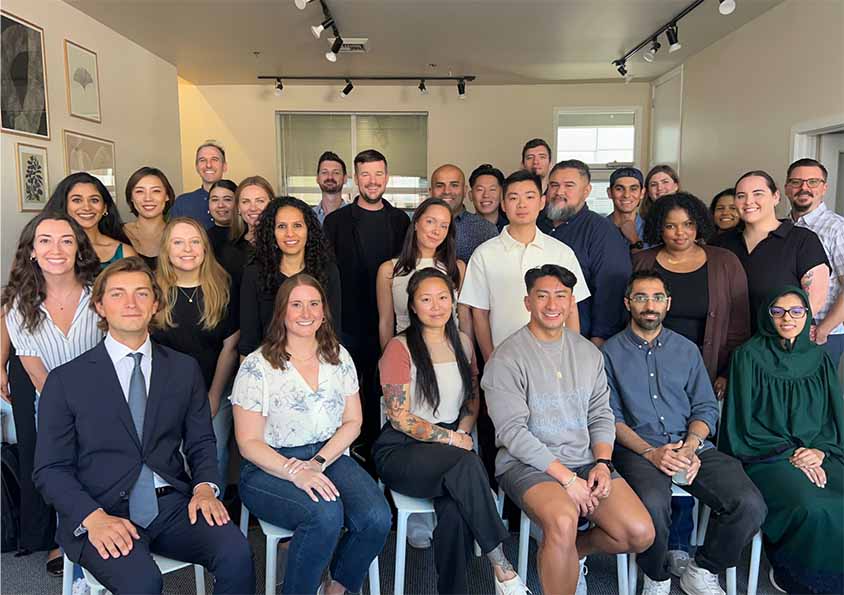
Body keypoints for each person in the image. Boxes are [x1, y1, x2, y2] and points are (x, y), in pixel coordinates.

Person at [33, 257, 255, 594]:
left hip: (171, 504)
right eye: (118, 294)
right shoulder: (66, 380)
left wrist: (206, 487)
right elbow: (50, 469)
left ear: (155, 305)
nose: (131, 303)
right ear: (100, 306)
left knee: (236, 551)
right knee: (143, 582)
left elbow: (200, 442)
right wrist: (92, 517)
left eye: (141, 294)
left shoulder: (183, 369)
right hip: (99, 508)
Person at [484, 264, 655, 595]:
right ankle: (560, 553)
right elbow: (513, 434)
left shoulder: (588, 353)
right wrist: (567, 480)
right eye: (543, 296)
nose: (552, 305)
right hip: (527, 465)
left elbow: (601, 414)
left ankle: (569, 553)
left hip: (585, 461)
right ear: (527, 302)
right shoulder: (507, 358)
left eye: (560, 296)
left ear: (571, 301)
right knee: (563, 519)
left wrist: (603, 464)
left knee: (639, 533)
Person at [603, 270, 766, 595]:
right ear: (628, 303)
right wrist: (651, 452)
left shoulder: (687, 350)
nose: (650, 305)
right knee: (651, 502)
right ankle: (656, 574)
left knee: (749, 504)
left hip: (692, 446)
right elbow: (610, 418)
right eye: (641, 297)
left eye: (657, 297)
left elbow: (705, 407)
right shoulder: (609, 353)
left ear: (668, 304)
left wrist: (691, 447)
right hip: (639, 450)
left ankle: (703, 568)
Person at [232, 274, 390, 595]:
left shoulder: (339, 356)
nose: (306, 312)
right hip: (270, 465)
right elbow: (248, 444)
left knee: (377, 517)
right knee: (324, 515)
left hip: (327, 455)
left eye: (314, 304)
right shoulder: (257, 365)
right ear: (282, 312)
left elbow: (353, 422)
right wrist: (296, 472)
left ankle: (334, 589)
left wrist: (317, 462)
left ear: (323, 311)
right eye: (296, 304)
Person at [375, 268, 528, 595]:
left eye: (443, 297)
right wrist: (452, 439)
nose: (436, 306)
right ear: (413, 306)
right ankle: (502, 566)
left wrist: (461, 431)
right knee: (466, 464)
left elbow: (472, 398)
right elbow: (399, 417)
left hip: (449, 448)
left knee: (457, 509)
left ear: (453, 300)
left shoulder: (463, 343)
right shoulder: (399, 349)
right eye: (426, 299)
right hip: (402, 450)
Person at [721, 287, 843, 595]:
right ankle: (797, 576)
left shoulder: (819, 358)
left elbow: (834, 417)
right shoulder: (748, 357)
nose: (787, 318)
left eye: (796, 311)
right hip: (768, 456)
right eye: (778, 311)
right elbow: (743, 424)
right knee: (813, 506)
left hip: (820, 452)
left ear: (806, 315)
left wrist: (819, 450)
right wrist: (792, 453)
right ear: (767, 315)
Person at [1, 212, 102, 577]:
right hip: (52, 401)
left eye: (66, 240)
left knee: (104, 464)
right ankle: (65, 538)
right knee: (60, 468)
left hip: (106, 398)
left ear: (79, 248)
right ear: (32, 251)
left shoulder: (100, 294)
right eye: (45, 240)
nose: (55, 249)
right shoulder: (18, 305)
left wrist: (94, 409)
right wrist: (70, 412)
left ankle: (105, 528)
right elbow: (34, 370)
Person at [323, 149, 410, 451]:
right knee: (346, 394)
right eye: (365, 175)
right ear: (355, 179)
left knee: (383, 395)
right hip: (346, 324)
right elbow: (326, 276)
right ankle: (348, 453)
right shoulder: (335, 222)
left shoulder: (400, 221)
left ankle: (380, 455)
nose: (372, 181)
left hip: (391, 325)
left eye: (378, 174)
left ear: (387, 177)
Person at [459, 169, 589, 363]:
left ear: (542, 202)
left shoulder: (562, 252)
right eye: (513, 198)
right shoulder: (484, 254)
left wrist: (572, 359)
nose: (522, 204)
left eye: (529, 197)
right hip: (505, 360)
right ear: (503, 205)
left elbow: (571, 309)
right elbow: (480, 314)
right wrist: (491, 361)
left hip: (555, 361)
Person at [151, 218, 239, 486]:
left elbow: (230, 346)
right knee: (172, 460)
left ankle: (213, 520)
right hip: (163, 395)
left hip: (214, 390)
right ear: (166, 249)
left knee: (212, 459)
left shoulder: (223, 286)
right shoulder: (151, 289)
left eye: (194, 242)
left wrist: (213, 396)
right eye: (178, 242)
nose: (187, 249)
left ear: (205, 248)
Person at [634, 192, 750, 393]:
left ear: (699, 225)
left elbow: (739, 326)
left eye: (688, 224)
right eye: (670, 226)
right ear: (659, 228)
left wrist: (726, 371)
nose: (681, 232)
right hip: (648, 366)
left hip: (708, 369)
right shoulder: (640, 261)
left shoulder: (725, 262)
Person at [710, 170, 830, 331]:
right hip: (729, 343)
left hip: (780, 344)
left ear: (776, 197)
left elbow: (814, 300)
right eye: (741, 196)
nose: (748, 201)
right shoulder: (721, 242)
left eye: (758, 194)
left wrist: (787, 332)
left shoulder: (802, 240)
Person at [538, 160, 632, 345]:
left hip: (581, 338)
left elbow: (611, 291)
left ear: (586, 191)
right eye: (554, 185)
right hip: (534, 334)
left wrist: (600, 339)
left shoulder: (602, 232)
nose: (559, 192)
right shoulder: (537, 224)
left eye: (569, 186)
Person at [239, 196, 342, 358]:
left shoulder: (327, 272)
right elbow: (248, 342)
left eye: (297, 225)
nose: (290, 233)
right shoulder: (254, 274)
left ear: (309, 230)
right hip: (268, 366)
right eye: (281, 226)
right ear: (272, 232)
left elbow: (333, 333)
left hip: (317, 363)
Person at [376, 197, 465, 350]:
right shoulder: (389, 270)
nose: (436, 231)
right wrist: (387, 359)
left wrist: (469, 358)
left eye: (444, 226)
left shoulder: (457, 267)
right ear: (416, 223)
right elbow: (386, 322)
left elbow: (462, 318)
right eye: (430, 222)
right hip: (407, 350)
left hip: (450, 350)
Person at [785, 158, 844, 366]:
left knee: (818, 397)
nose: (804, 188)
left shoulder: (837, 229)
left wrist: (823, 330)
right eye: (796, 182)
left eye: (812, 182)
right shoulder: (782, 228)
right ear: (786, 188)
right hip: (785, 330)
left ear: (824, 188)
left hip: (821, 334)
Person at [44, 172, 137, 269]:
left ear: (105, 208)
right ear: (64, 205)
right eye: (77, 200)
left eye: (94, 200)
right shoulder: (48, 250)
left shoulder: (125, 253)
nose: (87, 207)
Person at [430, 163, 498, 263]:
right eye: (440, 185)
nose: (447, 191)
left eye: (454, 185)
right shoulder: (418, 227)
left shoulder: (485, 229)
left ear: (465, 191)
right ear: (430, 192)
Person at [216, 175, 274, 286]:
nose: (253, 208)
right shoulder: (228, 252)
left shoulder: (283, 244)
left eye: (260, 201)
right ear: (238, 208)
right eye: (246, 202)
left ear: (272, 203)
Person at [123, 166, 175, 269]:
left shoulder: (180, 234)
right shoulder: (116, 234)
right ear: (131, 198)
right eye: (140, 191)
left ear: (167, 196)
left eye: (156, 191)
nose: (148, 198)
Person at [169, 141, 228, 229]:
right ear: (197, 167)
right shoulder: (183, 203)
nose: (208, 165)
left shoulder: (238, 199)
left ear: (224, 166)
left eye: (214, 159)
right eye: (202, 160)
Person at [606, 167, 650, 251]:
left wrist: (634, 239)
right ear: (609, 193)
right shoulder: (598, 229)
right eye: (619, 189)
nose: (626, 195)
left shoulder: (652, 231)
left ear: (642, 193)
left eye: (633, 189)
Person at [313, 151, 349, 225]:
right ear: (317, 178)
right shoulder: (308, 217)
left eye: (336, 173)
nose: (330, 177)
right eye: (324, 172)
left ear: (345, 178)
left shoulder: (354, 216)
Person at [469, 164, 508, 231]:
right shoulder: (460, 229)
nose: (486, 195)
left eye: (492, 189)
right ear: (470, 195)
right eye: (480, 189)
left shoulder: (512, 227)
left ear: (502, 194)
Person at [206, 179, 237, 254]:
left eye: (227, 199)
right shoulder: (203, 238)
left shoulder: (249, 236)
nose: (220, 205)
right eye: (215, 200)